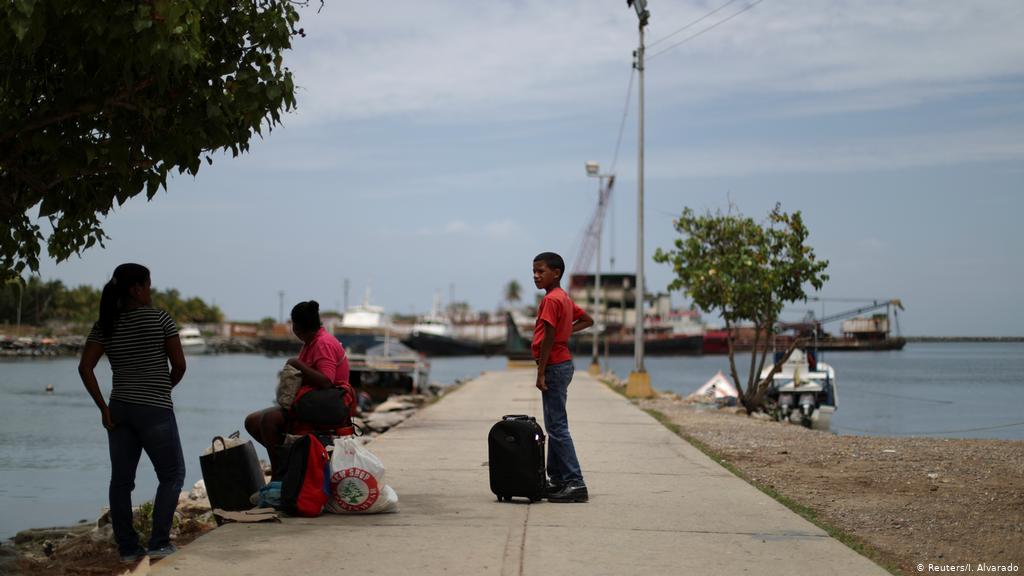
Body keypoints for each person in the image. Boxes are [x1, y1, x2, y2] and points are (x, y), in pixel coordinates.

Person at [78, 264, 186, 563]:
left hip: (119, 409)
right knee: (172, 474)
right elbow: (179, 366)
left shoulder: (106, 323)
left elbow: (85, 367)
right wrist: (163, 389)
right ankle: (159, 543)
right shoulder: (160, 318)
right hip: (154, 409)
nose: (151, 291)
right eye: (148, 285)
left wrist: (103, 407)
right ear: (136, 289)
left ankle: (127, 549)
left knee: (121, 481)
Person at [245, 300, 353, 475]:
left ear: (296, 327)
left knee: (268, 421)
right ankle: (289, 463)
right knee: (252, 421)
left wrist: (296, 364)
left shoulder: (322, 343)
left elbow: (327, 381)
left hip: (326, 405)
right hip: (312, 401)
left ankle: (279, 475)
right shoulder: (312, 342)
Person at [532, 252, 593, 503]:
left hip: (554, 366)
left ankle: (575, 482)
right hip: (563, 363)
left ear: (556, 273)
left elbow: (547, 338)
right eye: (534, 272)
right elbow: (587, 320)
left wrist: (541, 371)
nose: (536, 276)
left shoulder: (551, 300)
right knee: (554, 425)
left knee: (557, 428)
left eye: (541, 271)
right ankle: (557, 479)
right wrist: (565, 334)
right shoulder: (563, 298)